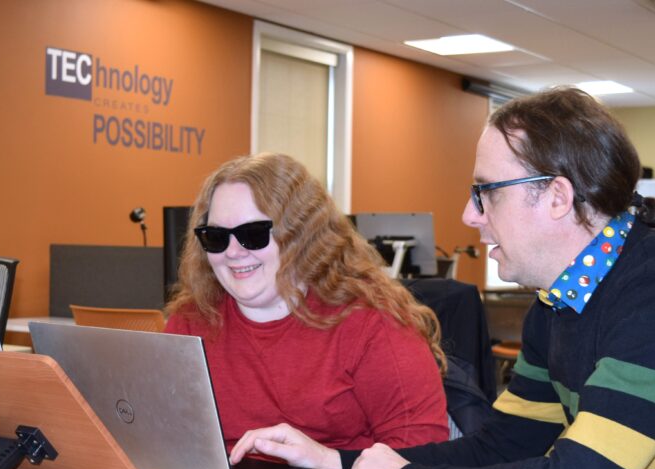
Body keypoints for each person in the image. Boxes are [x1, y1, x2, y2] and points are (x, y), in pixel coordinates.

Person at [230, 88, 655, 469]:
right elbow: (503, 448)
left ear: (557, 196)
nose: (470, 214)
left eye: (486, 191)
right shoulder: (560, 300)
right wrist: (342, 461)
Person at [165, 152, 449, 452]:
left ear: (302, 235)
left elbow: (422, 453)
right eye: (216, 237)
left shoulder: (372, 323)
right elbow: (162, 434)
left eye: (253, 234)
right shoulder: (191, 321)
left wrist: (327, 461)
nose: (233, 252)